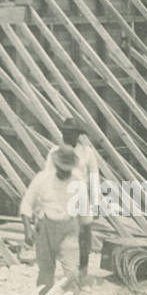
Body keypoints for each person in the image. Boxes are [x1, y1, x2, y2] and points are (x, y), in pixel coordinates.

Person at [20, 144, 87, 295]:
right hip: (46, 227)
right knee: (45, 273)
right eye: (61, 168)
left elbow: (85, 217)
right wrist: (28, 229)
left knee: (71, 274)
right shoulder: (42, 179)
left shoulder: (78, 183)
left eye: (68, 169)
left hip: (69, 229)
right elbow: (26, 203)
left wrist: (84, 245)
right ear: (56, 165)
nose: (64, 172)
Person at [59, 117, 101, 277]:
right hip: (63, 196)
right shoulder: (56, 152)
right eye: (65, 133)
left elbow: (94, 177)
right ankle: (68, 270)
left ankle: (83, 269)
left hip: (81, 196)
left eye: (71, 133)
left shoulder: (87, 152)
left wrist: (96, 202)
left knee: (84, 233)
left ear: (77, 135)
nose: (67, 136)